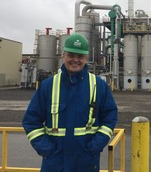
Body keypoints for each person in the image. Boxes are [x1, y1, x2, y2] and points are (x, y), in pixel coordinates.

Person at [22, 33, 118, 172]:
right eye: (71, 55)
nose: (75, 60)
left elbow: (110, 118)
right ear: (63, 56)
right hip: (55, 163)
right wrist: (47, 150)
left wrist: (94, 147)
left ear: (86, 58)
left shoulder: (98, 85)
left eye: (80, 56)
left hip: (86, 162)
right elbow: (31, 121)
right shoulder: (48, 86)